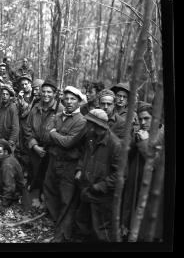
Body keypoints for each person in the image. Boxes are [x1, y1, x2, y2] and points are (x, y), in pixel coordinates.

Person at [42, 86, 87, 242]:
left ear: (79, 102)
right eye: (66, 99)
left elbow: (68, 143)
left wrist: (54, 133)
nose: (68, 102)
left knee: (66, 199)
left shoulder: (82, 121)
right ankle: (58, 224)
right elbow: (45, 136)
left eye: (73, 99)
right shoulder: (58, 115)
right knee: (49, 191)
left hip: (69, 164)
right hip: (53, 161)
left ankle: (62, 235)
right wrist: (56, 136)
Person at [74, 109, 121, 242]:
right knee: (81, 222)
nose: (88, 126)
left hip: (102, 196)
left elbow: (120, 175)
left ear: (98, 126)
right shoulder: (90, 137)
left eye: (90, 123)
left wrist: (99, 187)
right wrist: (79, 169)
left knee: (101, 231)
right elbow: (84, 155)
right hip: (86, 188)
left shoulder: (115, 144)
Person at [121, 101, 164, 241]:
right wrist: (135, 138)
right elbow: (127, 153)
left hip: (151, 188)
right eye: (140, 119)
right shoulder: (141, 133)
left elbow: (156, 164)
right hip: (135, 184)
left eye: (147, 118)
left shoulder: (162, 136)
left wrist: (145, 142)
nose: (143, 122)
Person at [23, 78, 63, 199]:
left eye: (49, 92)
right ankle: (31, 197)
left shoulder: (60, 109)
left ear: (54, 93)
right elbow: (27, 127)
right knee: (34, 173)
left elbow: (61, 131)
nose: (46, 94)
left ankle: (43, 198)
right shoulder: (35, 107)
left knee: (47, 176)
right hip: (35, 148)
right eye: (44, 91)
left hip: (50, 149)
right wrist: (34, 146)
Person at [0, 139, 26, 207]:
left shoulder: (7, 165)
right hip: (16, 191)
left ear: (6, 152)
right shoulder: (9, 158)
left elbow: (9, 188)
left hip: (16, 195)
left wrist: (4, 205)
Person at [0, 84, 20, 151]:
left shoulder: (13, 108)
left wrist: (10, 142)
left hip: (9, 140)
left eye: (7, 94)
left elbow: (16, 128)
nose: (5, 96)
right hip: (0, 139)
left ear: (10, 96)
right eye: (3, 94)